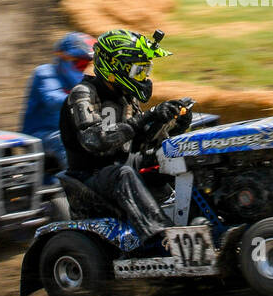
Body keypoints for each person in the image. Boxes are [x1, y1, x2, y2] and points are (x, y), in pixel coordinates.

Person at [58, 29, 193, 241]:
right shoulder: (83, 93)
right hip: (89, 177)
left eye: (144, 71)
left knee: (171, 156)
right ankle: (164, 238)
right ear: (115, 67)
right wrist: (145, 117)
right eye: (138, 71)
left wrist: (172, 125)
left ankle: (195, 217)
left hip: (124, 164)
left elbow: (141, 143)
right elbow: (94, 140)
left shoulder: (126, 97)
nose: (144, 77)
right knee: (123, 175)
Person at [20, 32, 95, 171]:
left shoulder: (82, 81)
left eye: (85, 64)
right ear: (64, 58)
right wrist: (83, 98)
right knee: (65, 140)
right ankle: (80, 184)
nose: (83, 67)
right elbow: (52, 100)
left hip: (63, 132)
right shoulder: (45, 72)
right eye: (79, 63)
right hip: (39, 134)